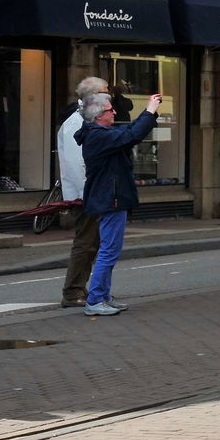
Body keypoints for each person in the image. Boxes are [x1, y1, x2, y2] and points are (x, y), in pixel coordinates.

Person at [73, 89, 162, 316]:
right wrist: (149, 111)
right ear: (98, 115)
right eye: (109, 110)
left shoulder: (101, 133)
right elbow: (132, 135)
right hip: (110, 199)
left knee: (109, 249)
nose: (114, 112)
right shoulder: (98, 137)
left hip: (110, 197)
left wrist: (149, 111)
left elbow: (130, 131)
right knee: (109, 250)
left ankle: (102, 296)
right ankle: (95, 299)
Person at [56, 75, 110, 308]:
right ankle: (73, 291)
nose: (109, 96)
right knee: (86, 243)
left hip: (89, 192)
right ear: (94, 96)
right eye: (106, 92)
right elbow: (76, 164)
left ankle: (81, 289)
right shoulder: (76, 122)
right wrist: (89, 194)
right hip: (86, 195)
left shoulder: (84, 119)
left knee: (92, 243)